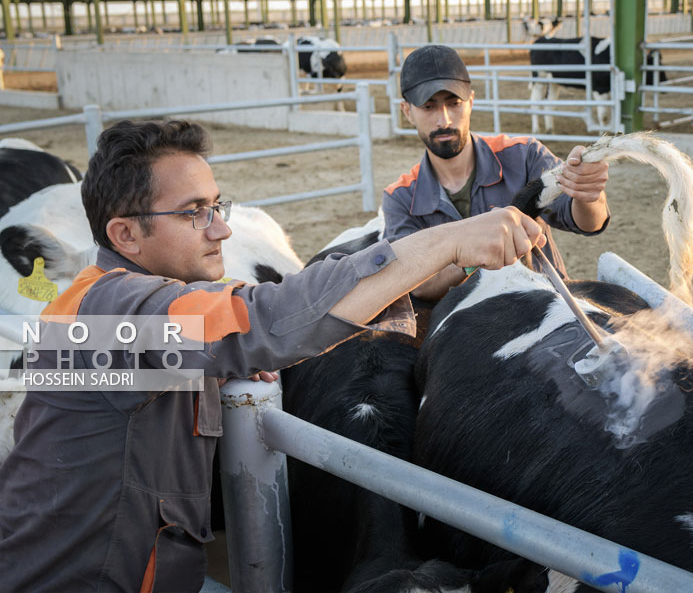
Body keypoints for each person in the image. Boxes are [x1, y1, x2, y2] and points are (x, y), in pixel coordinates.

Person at [0, 119, 545, 592]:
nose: (222, 229)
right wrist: (449, 242)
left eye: (217, 206)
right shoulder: (116, 313)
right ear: (125, 234)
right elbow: (267, 319)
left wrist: (224, 363)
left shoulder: (94, 303)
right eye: (195, 213)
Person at [384, 44, 611, 300]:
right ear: (407, 112)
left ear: (471, 101)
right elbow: (410, 282)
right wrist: (474, 254)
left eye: (454, 103)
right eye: (428, 106)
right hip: (469, 329)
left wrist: (588, 192)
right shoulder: (400, 197)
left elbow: (588, 223)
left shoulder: (524, 155)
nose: (444, 120)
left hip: (546, 308)